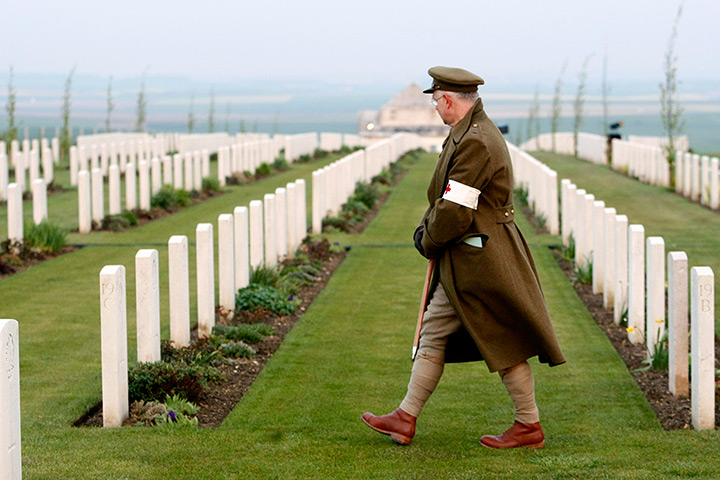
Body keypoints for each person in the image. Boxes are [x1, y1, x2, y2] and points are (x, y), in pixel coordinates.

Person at [361, 66, 566, 449]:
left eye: (437, 101)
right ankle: (405, 418)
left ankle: (528, 425)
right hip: (467, 254)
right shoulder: (467, 133)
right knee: (435, 331)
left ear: (449, 100)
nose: (436, 108)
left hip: (480, 258)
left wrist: (429, 240)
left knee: (500, 337)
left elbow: (457, 207)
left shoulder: (476, 140)